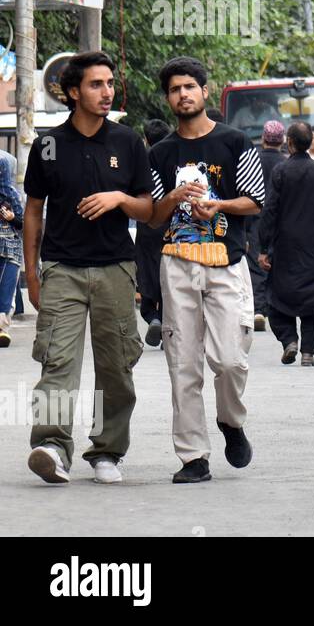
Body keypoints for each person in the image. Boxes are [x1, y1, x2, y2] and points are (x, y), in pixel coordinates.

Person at [24, 52, 153, 485]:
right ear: (74, 92)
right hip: (62, 267)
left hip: (116, 267)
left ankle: (107, 451)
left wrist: (118, 198)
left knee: (116, 365)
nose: (107, 92)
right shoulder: (47, 144)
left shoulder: (128, 141)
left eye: (110, 83)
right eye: (96, 84)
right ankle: (51, 447)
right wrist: (31, 271)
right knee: (57, 362)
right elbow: (33, 210)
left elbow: (149, 210)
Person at [149, 56, 265, 483]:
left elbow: (255, 200)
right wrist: (176, 195)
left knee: (231, 360)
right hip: (176, 263)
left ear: (203, 91)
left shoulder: (236, 143)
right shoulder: (160, 154)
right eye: (175, 89)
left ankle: (231, 422)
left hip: (226, 262)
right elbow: (153, 217)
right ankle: (193, 456)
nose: (183, 94)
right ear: (169, 98)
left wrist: (218, 205)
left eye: (189, 87)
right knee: (183, 363)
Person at [258, 122, 314, 367]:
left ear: (290, 143)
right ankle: (307, 352)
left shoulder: (281, 172)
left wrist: (264, 248)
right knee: (311, 299)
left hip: (284, 247)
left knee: (276, 298)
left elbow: (269, 211)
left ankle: (288, 340)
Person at [246, 120, 287, 331]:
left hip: (255, 219)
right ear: (283, 140)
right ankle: (276, 308)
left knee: (256, 265)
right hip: (282, 223)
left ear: (263, 139)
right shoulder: (287, 163)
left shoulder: (252, 161)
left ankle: (258, 309)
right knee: (278, 265)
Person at [137, 118, 172, 348]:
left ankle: (153, 315)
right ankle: (167, 323)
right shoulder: (176, 158)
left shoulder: (142, 160)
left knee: (148, 273)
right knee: (171, 277)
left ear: (147, 139)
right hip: (173, 225)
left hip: (148, 225)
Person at [0, 150, 21, 349]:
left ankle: (2, 329)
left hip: (10, 248)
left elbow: (23, 222)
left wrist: (11, 218)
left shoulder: (12, 196)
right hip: (10, 249)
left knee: (6, 291)